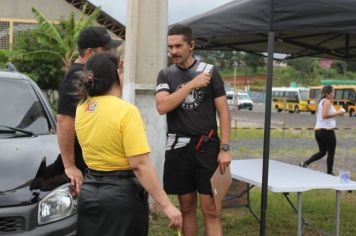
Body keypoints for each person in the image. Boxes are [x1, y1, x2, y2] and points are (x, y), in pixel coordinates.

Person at [75, 53, 182, 235]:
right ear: (117, 74)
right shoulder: (126, 111)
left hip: (89, 192)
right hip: (121, 197)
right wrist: (167, 205)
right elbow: (139, 164)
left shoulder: (82, 108)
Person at [155, 24, 231, 236]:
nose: (174, 51)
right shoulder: (165, 74)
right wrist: (190, 85)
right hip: (178, 148)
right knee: (187, 207)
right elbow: (162, 107)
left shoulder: (209, 72)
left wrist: (225, 148)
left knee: (212, 210)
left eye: (178, 46)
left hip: (207, 148)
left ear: (192, 45)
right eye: (170, 47)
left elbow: (223, 112)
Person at [57, 26, 122, 195]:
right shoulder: (77, 76)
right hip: (81, 166)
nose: (110, 54)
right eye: (105, 50)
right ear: (91, 52)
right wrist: (70, 166)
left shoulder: (87, 74)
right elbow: (64, 119)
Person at [299, 85, 345, 174]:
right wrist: (338, 112)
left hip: (318, 131)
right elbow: (325, 115)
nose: (334, 94)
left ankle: (305, 163)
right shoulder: (327, 102)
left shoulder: (321, 102)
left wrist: (337, 113)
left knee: (322, 152)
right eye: (332, 92)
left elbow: (324, 115)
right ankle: (329, 173)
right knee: (331, 152)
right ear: (327, 93)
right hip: (327, 131)